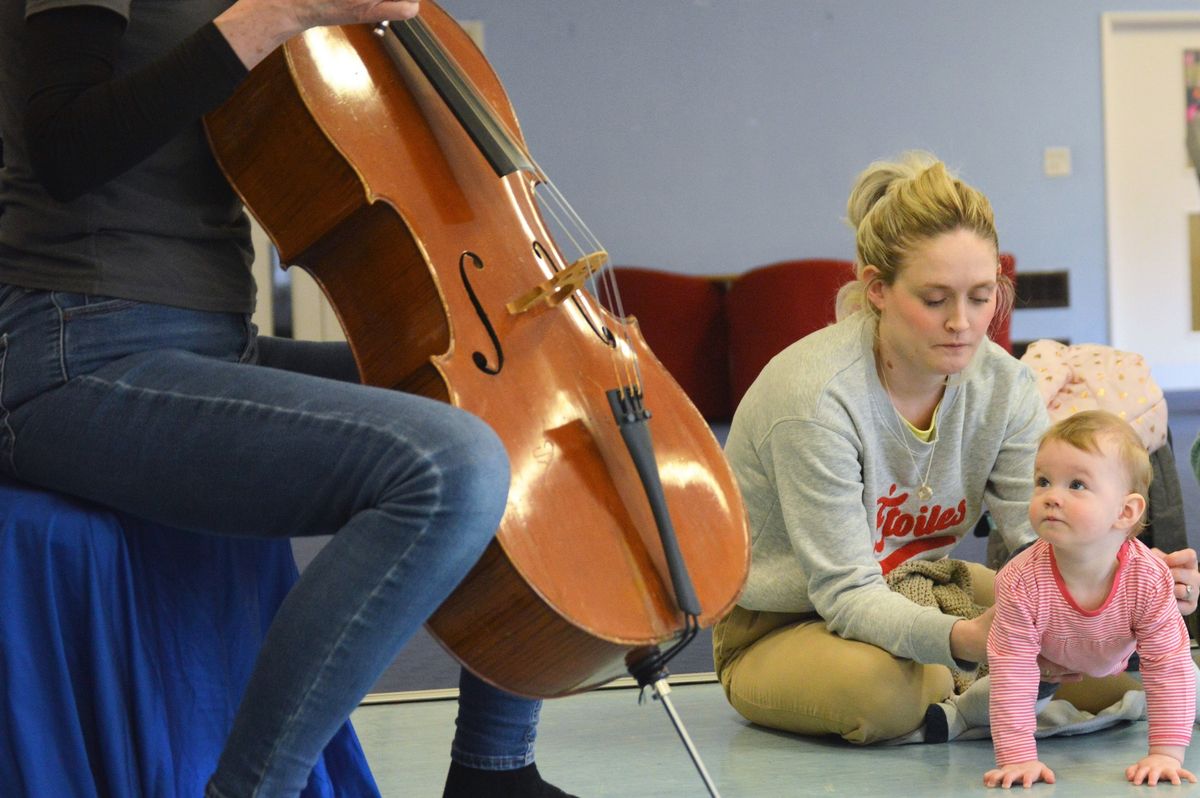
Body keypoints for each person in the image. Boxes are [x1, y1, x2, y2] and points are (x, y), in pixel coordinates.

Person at [0, 1, 575, 796]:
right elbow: (65, 149)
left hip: (213, 342)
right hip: (76, 348)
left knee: (508, 405)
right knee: (450, 466)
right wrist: (282, 14)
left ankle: (493, 772)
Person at [711, 150, 1200, 745]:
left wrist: (1128, 575)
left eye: (980, 296)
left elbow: (1041, 538)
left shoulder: (1005, 385)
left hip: (926, 586)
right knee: (886, 695)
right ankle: (964, 689)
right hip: (784, 623)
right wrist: (970, 642)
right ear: (877, 290)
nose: (964, 324)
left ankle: (967, 694)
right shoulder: (815, 401)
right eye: (936, 299)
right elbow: (844, 594)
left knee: (1118, 671)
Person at [969, 410, 1196, 789]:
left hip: (1130, 653)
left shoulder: (1147, 577)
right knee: (982, 705)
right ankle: (952, 715)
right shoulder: (1020, 580)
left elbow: (1168, 665)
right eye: (1043, 481)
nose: (1051, 496)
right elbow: (1013, 670)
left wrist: (1165, 754)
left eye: (1076, 485)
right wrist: (1018, 758)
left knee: (1187, 680)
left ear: (1125, 512)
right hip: (1050, 665)